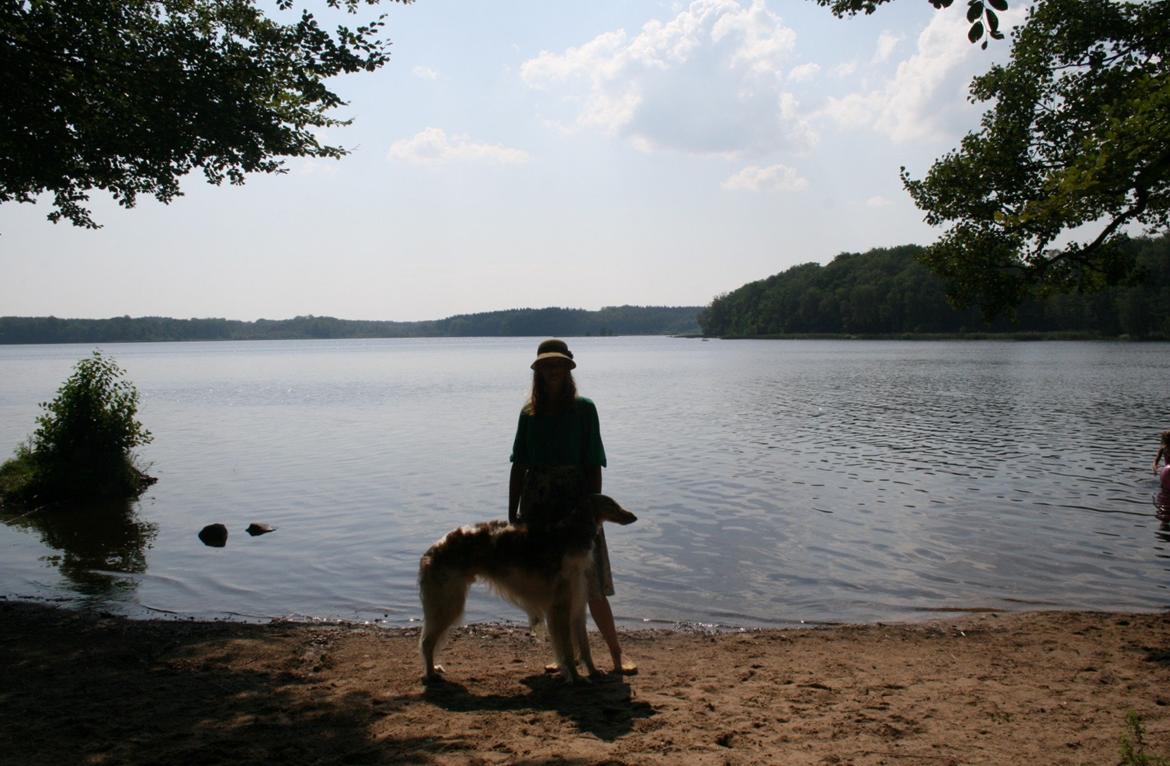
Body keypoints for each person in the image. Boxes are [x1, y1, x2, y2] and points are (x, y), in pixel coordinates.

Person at [508, 338, 636, 675]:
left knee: (591, 585)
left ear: (568, 369)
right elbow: (518, 464)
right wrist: (512, 513)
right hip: (538, 505)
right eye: (548, 365)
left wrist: (595, 512)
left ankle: (616, 653)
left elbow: (594, 462)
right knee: (554, 587)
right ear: (539, 371)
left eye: (559, 365)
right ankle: (564, 655)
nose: (553, 371)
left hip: (577, 502)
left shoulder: (584, 409)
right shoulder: (528, 413)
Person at [1155, 430, 1170, 513]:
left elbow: (1156, 461)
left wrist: (1155, 468)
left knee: (1165, 490)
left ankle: (1165, 509)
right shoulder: (1163, 448)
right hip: (1167, 472)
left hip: (1166, 473)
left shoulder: (1163, 448)